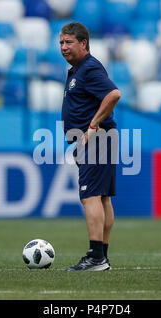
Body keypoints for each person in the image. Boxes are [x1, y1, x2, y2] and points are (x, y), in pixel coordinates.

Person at [59, 22, 121, 271]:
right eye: (61, 43)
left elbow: (114, 94)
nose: (63, 47)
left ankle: (96, 257)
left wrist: (93, 125)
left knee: (90, 196)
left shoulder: (89, 68)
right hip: (96, 139)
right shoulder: (76, 70)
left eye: (68, 42)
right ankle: (101, 257)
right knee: (102, 197)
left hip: (96, 139)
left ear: (83, 43)